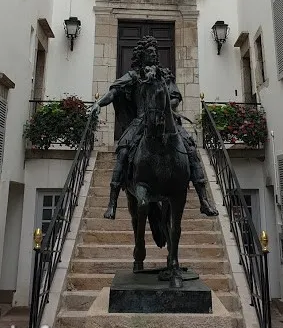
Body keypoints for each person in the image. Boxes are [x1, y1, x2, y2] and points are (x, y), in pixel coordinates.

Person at [90, 35, 218, 219]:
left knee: (190, 147)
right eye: (150, 52)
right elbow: (114, 92)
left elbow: (176, 97)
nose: (154, 55)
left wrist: (166, 106)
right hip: (140, 121)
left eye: (155, 52)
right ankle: (112, 202)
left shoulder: (165, 75)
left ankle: (203, 200)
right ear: (142, 55)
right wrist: (98, 104)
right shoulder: (134, 76)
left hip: (165, 119)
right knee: (123, 151)